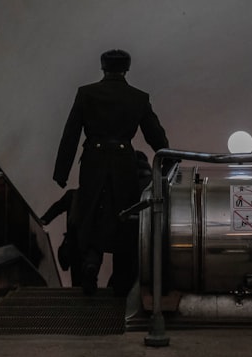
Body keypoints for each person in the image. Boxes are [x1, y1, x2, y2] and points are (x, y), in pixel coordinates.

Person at [52, 49, 170, 295]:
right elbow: (154, 134)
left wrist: (61, 173)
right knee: (123, 217)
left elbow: (70, 134)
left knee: (91, 214)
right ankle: (121, 284)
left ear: (103, 67)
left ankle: (90, 264)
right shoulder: (138, 97)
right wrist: (170, 162)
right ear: (126, 69)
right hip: (123, 163)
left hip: (93, 161)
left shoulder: (86, 94)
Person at [39, 189, 81, 286]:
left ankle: (78, 296)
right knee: (86, 273)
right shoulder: (96, 195)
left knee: (76, 276)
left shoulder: (72, 195)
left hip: (74, 243)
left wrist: (44, 220)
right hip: (88, 244)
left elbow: (57, 207)